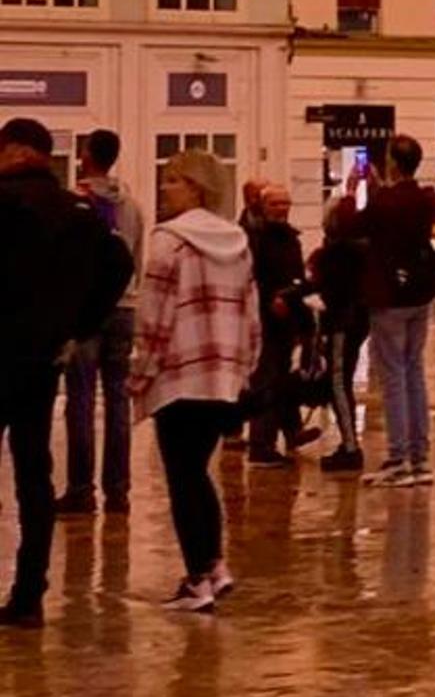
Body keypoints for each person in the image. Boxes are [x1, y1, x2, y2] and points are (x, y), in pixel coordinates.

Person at [0, 117, 133, 629]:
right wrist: (77, 325)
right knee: (35, 473)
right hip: (41, 358)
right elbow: (118, 265)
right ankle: (29, 594)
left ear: (13, 150)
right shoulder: (76, 212)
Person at [132, 149, 260, 612]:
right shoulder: (238, 241)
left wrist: (140, 373)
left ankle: (197, 580)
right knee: (199, 474)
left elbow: (154, 318)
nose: (164, 189)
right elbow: (251, 313)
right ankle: (215, 566)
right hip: (222, 376)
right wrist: (244, 367)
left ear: (196, 188)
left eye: (173, 181)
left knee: (183, 478)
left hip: (179, 375)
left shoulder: (169, 241)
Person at [57, 128, 146, 517]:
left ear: (87, 156)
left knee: (79, 399)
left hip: (86, 310)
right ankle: (119, 490)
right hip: (124, 307)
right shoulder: (133, 207)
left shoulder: (76, 202)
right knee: (117, 401)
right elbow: (137, 258)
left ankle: (80, 488)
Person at [354, 134, 435, 486]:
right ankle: (419, 457)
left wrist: (355, 192)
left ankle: (398, 456)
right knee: (413, 371)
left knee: (392, 375)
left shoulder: (384, 200)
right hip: (419, 290)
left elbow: (353, 225)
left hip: (389, 294)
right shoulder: (426, 199)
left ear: (392, 162)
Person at [247, 182, 313, 467]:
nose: (281, 209)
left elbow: (297, 276)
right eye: (275, 204)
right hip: (265, 318)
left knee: (283, 376)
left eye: (285, 203)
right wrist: (270, 301)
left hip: (288, 317)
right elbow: (252, 279)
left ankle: (291, 431)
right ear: (263, 207)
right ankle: (261, 444)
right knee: (267, 380)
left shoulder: (291, 238)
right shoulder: (257, 239)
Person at [309, 194, 368, 473]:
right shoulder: (360, 248)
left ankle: (350, 446)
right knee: (341, 381)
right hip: (356, 320)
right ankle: (349, 443)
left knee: (338, 383)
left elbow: (330, 290)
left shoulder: (337, 252)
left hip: (342, 322)